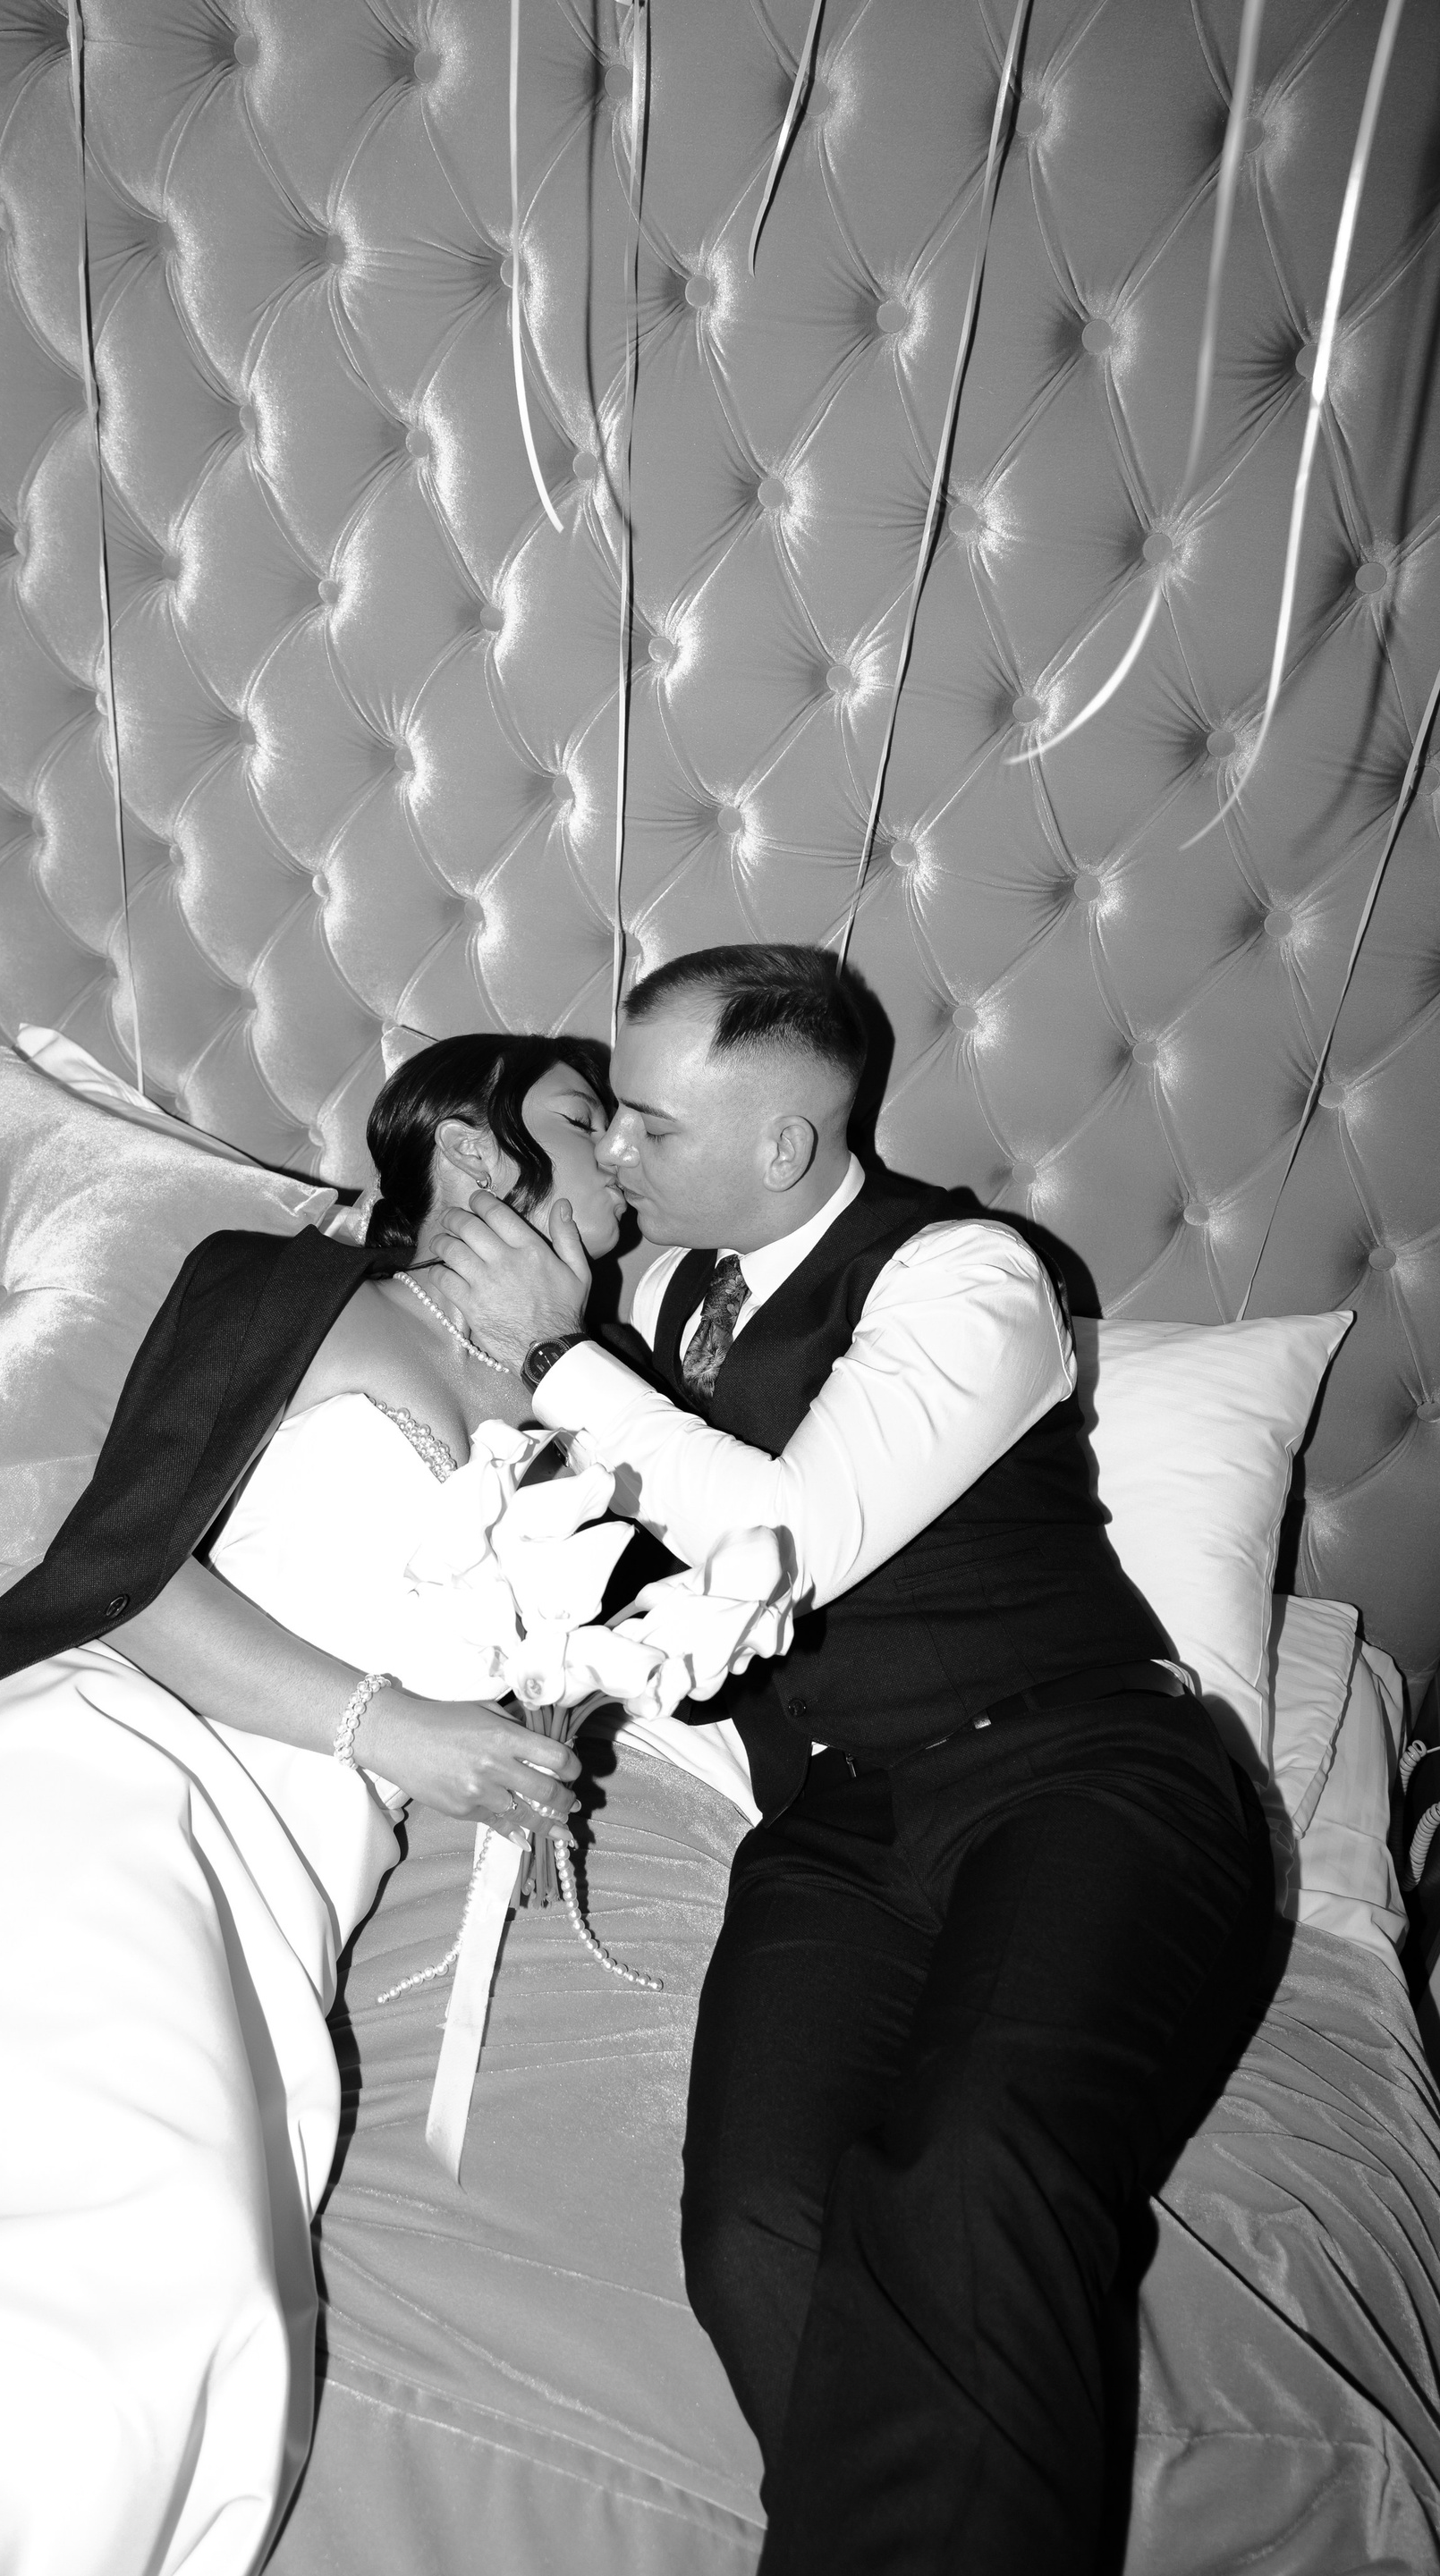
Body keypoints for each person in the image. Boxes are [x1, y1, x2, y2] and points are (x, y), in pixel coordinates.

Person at [0, 1034, 626, 2576]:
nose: (626, 1156)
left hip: (296, 1874)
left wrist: (554, 1368)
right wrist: (396, 1727)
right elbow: (119, 1576)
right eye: (587, 1120)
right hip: (106, 1764)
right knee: (133, 2267)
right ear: (476, 1153)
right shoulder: (284, 1289)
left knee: (191, 2297)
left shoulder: (598, 1422)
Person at [428, 943, 1274, 2576]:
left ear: (785, 1144)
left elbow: (784, 1538)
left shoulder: (969, 1278)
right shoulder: (657, 1301)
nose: (617, 1150)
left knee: (974, 2167)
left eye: (652, 1126)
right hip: (834, 1828)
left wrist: (553, 1355)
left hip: (1080, 1773)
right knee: (758, 2232)